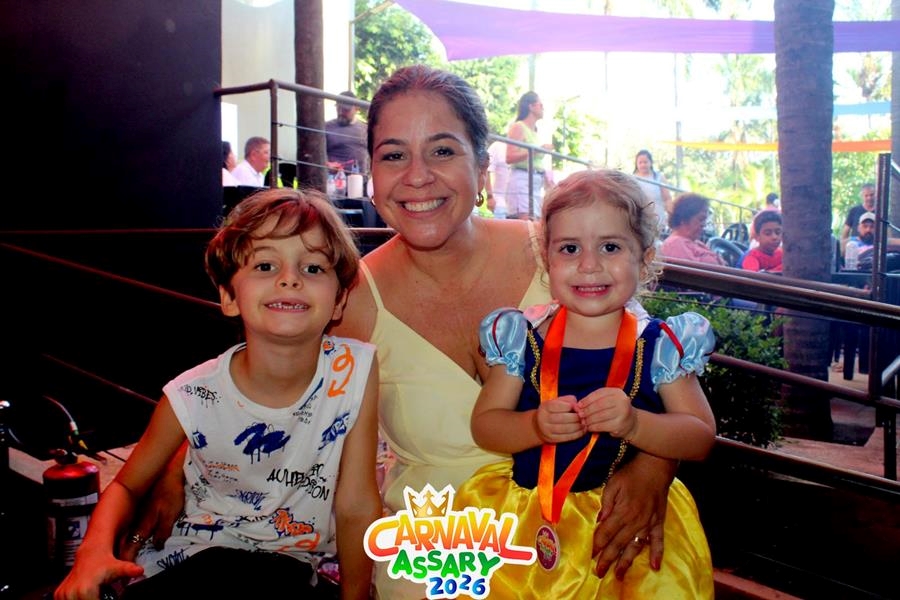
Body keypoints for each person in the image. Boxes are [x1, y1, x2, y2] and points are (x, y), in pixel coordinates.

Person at [130, 65, 678, 600]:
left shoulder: (562, 253)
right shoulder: (349, 298)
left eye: (442, 151)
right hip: (440, 559)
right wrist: (178, 465)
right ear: (372, 172)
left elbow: (654, 369)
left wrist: (654, 468)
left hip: (592, 540)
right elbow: (263, 383)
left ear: (481, 164)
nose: (418, 176)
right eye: (394, 155)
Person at [54, 189, 381, 600]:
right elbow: (127, 486)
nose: (290, 278)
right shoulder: (189, 395)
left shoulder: (355, 371)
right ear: (228, 297)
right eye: (265, 265)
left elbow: (356, 503)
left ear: (339, 301)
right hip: (194, 560)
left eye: (313, 267)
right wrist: (92, 553)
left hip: (289, 568)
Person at [454, 168, 716, 598]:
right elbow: (486, 425)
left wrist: (637, 425)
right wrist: (533, 426)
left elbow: (700, 436)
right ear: (547, 258)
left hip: (625, 525)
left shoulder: (661, 346)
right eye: (570, 248)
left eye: (610, 247)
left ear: (645, 258)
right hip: (526, 518)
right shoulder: (521, 339)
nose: (589, 265)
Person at [505, 91, 554, 220]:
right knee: (527, 222)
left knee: (535, 221)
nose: (543, 108)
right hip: (522, 179)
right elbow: (509, 156)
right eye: (540, 105)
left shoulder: (535, 132)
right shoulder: (519, 127)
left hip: (535, 182)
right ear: (531, 106)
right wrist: (537, 150)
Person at [659, 192, 724, 266]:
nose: (704, 225)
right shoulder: (674, 244)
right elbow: (694, 272)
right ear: (683, 219)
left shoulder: (696, 243)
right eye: (700, 219)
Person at [325, 91, 368, 175]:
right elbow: (316, 155)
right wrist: (327, 164)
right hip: (335, 179)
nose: (340, 112)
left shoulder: (365, 129)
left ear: (356, 108)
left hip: (360, 179)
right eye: (338, 108)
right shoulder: (327, 127)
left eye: (346, 110)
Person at [633, 149, 673, 231]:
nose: (643, 165)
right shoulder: (632, 179)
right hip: (640, 221)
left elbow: (667, 199)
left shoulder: (659, 177)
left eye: (645, 162)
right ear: (636, 164)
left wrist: (671, 216)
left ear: (650, 162)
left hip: (658, 219)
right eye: (640, 162)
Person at [840, 182, 876, 258]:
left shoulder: (881, 212)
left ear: (876, 195)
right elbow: (845, 232)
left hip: (874, 248)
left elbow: (887, 233)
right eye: (866, 195)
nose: (869, 198)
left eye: (871, 195)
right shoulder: (854, 211)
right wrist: (843, 248)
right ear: (862, 196)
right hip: (855, 249)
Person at [486, 139, 510, 218]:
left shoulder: (526, 151)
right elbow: (486, 171)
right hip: (499, 204)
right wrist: (490, 197)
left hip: (518, 205)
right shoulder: (498, 146)